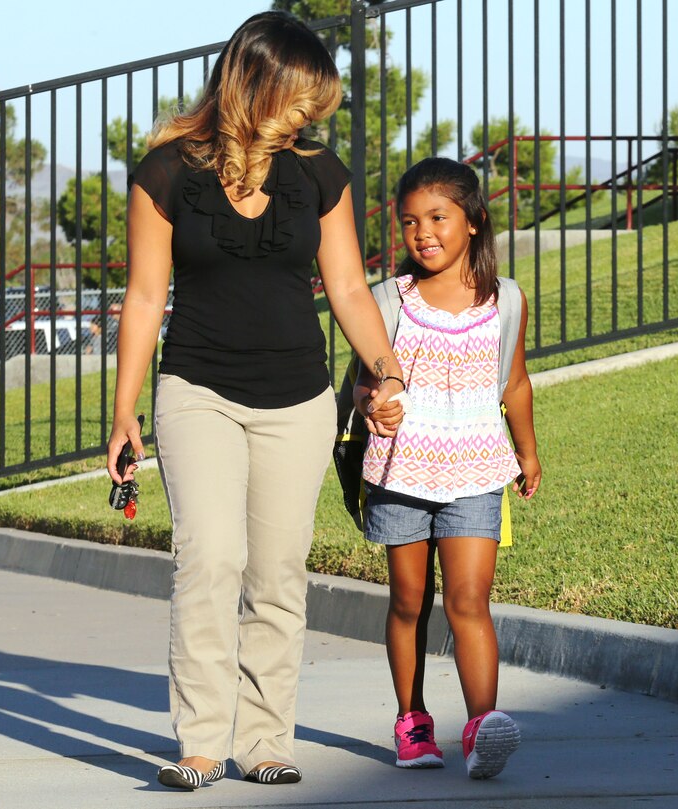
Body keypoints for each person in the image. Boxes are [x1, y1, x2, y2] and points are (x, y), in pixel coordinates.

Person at [106, 11, 406, 791]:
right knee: (209, 559)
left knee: (276, 571)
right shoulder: (167, 172)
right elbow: (144, 298)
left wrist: (386, 370)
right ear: (256, 81)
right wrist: (123, 409)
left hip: (298, 398)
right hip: (196, 389)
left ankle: (265, 739)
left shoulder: (319, 174)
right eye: (301, 97)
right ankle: (202, 743)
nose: (310, 115)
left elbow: (346, 286)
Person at [355, 157, 542, 780]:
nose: (422, 232)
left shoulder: (505, 299)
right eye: (409, 221)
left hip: (476, 473)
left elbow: (515, 383)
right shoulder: (388, 301)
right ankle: (413, 721)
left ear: (474, 220)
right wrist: (370, 403)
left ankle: (483, 727)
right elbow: (360, 386)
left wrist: (528, 449)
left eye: (438, 217)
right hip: (400, 473)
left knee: (470, 600)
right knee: (410, 601)